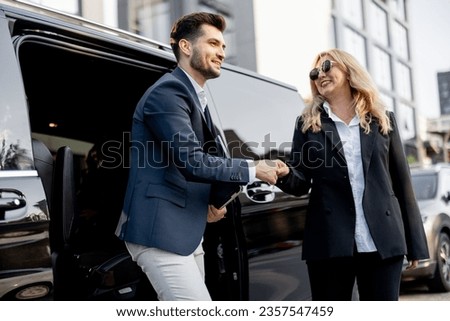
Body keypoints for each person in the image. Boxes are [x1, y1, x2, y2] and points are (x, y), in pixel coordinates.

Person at [115, 12, 281, 301]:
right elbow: (192, 162)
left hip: (185, 231)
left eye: (223, 47)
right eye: (214, 43)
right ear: (186, 47)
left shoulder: (196, 99)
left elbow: (179, 167)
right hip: (159, 233)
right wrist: (254, 168)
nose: (221, 53)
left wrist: (209, 203)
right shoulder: (168, 92)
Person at [276, 48, 429, 301]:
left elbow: (402, 183)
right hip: (329, 243)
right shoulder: (306, 123)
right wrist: (283, 173)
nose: (320, 75)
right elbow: (300, 181)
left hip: (382, 240)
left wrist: (415, 244)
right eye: (314, 73)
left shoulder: (382, 120)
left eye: (327, 67)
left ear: (348, 71)